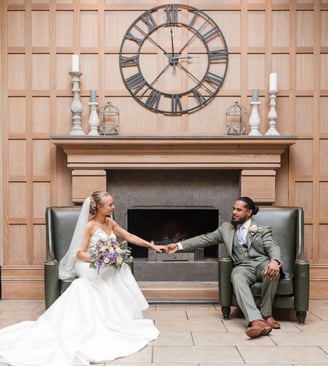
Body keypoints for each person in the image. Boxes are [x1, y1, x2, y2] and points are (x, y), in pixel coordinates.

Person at [0, 191, 166, 366]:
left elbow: (129, 236)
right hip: (88, 264)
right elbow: (80, 253)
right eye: (110, 205)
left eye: (113, 203)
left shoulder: (110, 222)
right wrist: (101, 257)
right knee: (98, 277)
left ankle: (115, 319)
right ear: (99, 207)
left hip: (103, 262)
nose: (113, 207)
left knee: (119, 269)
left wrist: (152, 246)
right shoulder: (90, 226)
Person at [166, 196, 282, 339]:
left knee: (272, 271)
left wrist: (275, 261)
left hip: (262, 263)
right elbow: (205, 238)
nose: (234, 212)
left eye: (239, 210)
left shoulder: (262, 229)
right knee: (236, 276)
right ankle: (256, 321)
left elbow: (273, 246)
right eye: (234, 209)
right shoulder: (226, 228)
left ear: (249, 212)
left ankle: (266, 314)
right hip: (243, 266)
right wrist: (178, 246)